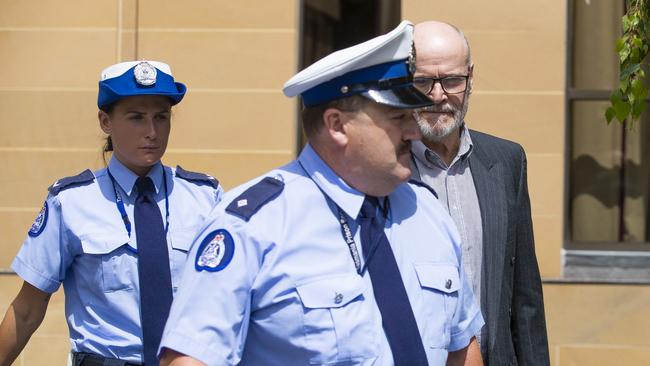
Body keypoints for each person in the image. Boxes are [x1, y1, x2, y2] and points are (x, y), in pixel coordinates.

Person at [158, 21, 484, 366]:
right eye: (397, 117)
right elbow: (188, 358)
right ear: (337, 125)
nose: (414, 130)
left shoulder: (428, 213)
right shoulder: (254, 226)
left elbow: (461, 348)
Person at [0, 60, 223, 366]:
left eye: (161, 117)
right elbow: (26, 311)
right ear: (105, 122)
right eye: (136, 118)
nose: (152, 131)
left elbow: (231, 297)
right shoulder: (71, 203)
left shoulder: (204, 197)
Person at [409, 21, 550, 365]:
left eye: (452, 80)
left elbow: (524, 296)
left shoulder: (506, 161)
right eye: (423, 81)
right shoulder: (384, 171)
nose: (438, 95)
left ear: (470, 79)